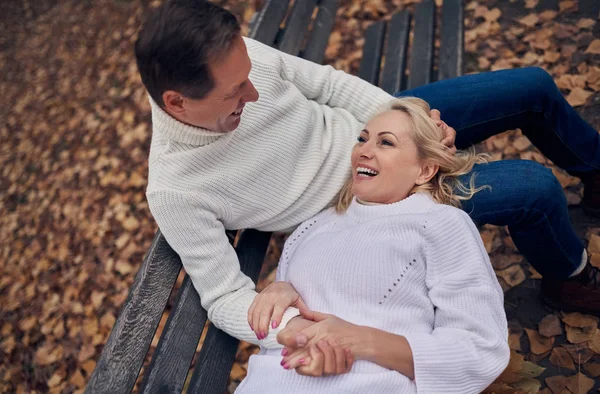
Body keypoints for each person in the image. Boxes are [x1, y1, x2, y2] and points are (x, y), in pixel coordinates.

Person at [134, 0, 600, 350]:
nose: (254, 94)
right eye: (236, 91)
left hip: (376, 129)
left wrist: (407, 122)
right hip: (366, 206)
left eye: (249, 75)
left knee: (533, 87)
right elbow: (222, 296)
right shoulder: (177, 189)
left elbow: (330, 86)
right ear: (177, 102)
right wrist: (289, 331)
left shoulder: (235, 56)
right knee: (534, 188)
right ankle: (569, 277)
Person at [236, 97, 510, 393]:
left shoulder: (440, 223)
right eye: (362, 139)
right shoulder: (312, 228)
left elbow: (481, 348)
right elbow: (278, 333)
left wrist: (358, 341)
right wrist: (281, 293)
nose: (364, 151)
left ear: (425, 170)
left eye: (386, 143)